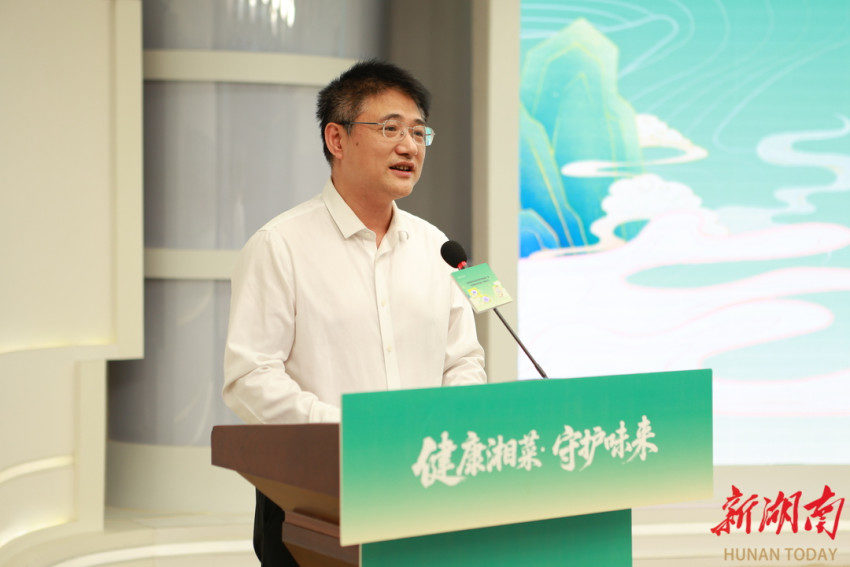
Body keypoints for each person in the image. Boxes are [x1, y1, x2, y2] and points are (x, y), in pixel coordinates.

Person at [222, 59, 487, 566]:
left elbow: (463, 360)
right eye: (390, 129)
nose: (409, 146)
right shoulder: (280, 245)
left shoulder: (436, 247)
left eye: (418, 132)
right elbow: (249, 377)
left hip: (425, 486)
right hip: (314, 495)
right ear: (337, 139)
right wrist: (348, 431)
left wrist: (448, 423)